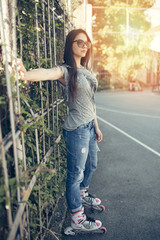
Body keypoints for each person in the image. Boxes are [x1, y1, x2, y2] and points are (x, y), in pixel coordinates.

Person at [17, 29, 103, 232]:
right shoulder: (66, 71)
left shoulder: (86, 70)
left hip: (90, 127)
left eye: (86, 43)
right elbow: (46, 73)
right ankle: (76, 218)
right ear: (70, 45)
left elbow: (91, 102)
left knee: (92, 166)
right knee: (75, 174)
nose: (84, 46)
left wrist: (97, 127)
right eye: (79, 42)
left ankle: (82, 196)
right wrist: (23, 75)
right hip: (77, 130)